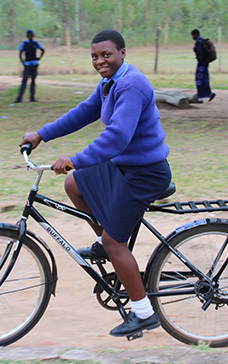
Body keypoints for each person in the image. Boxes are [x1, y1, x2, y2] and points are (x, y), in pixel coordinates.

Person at [19, 30, 171, 338]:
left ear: (123, 53)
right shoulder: (109, 83)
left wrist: (76, 157)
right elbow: (84, 112)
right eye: (94, 57)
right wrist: (41, 134)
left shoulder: (131, 85)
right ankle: (105, 246)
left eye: (106, 55)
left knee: (118, 243)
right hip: (125, 167)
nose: (99, 61)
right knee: (74, 184)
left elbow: (117, 137)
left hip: (145, 173)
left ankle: (143, 312)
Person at [14, 29, 45, 103]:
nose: (30, 36)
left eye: (31, 35)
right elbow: (20, 53)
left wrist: (39, 59)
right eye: (29, 35)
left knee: (33, 81)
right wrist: (22, 61)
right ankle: (20, 97)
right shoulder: (24, 44)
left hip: (33, 63)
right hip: (28, 63)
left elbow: (42, 50)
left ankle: (32, 97)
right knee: (24, 81)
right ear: (27, 36)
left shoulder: (36, 43)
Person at [191, 29, 216, 103]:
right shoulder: (202, 41)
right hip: (205, 63)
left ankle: (200, 96)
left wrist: (202, 58)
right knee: (205, 78)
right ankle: (209, 93)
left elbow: (200, 52)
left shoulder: (198, 42)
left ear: (195, 35)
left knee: (199, 79)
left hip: (201, 62)